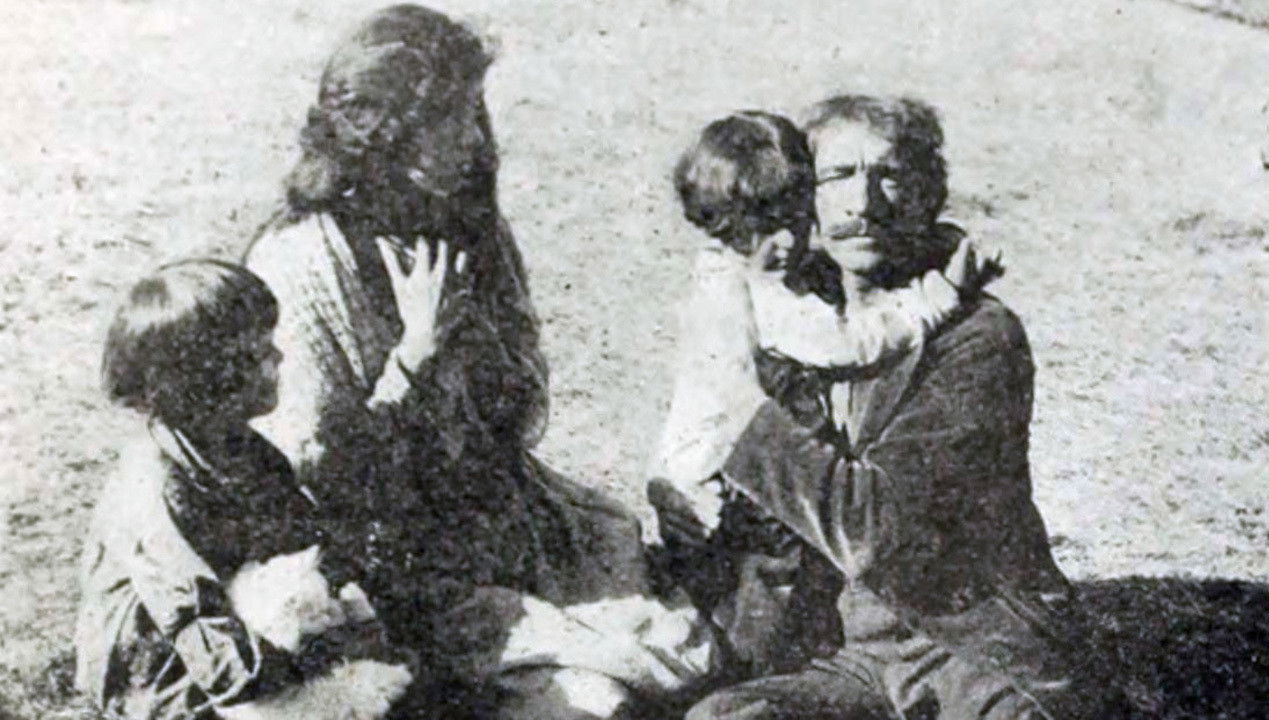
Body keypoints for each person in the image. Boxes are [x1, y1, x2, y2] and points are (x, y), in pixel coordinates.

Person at [242, 5, 704, 717]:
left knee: (678, 649)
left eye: (474, 113)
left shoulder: (468, 229)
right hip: (380, 564)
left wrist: (478, 349)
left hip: (498, 521)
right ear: (389, 130)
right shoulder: (299, 262)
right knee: (595, 698)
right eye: (454, 118)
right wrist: (415, 355)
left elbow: (524, 412)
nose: (476, 138)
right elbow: (315, 477)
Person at [655, 97, 1083, 720]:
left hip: (968, 649)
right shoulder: (782, 313)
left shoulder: (977, 335)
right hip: (848, 657)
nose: (863, 203)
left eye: (890, 175)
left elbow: (871, 528)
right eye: (838, 176)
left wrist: (738, 427)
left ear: (929, 195)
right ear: (800, 196)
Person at [74, 259, 415, 720]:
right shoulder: (152, 486)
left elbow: (302, 540)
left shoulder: (245, 448)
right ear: (204, 378)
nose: (280, 358)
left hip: (240, 634)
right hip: (161, 668)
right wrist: (300, 671)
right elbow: (194, 619)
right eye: (259, 354)